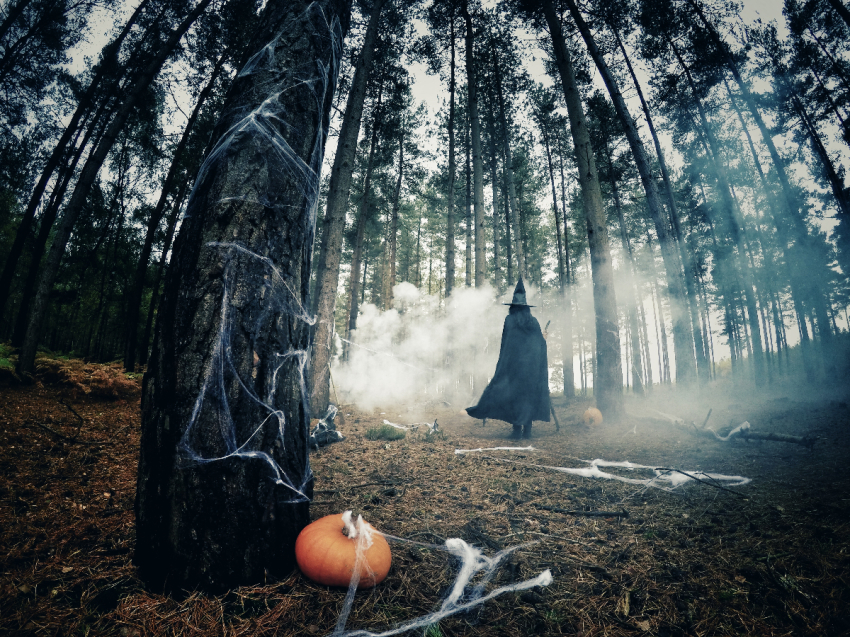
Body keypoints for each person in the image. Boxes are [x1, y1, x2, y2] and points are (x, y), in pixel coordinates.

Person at [466, 278, 550, 439]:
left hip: (514, 367)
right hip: (531, 369)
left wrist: (503, 366)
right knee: (528, 395)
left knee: (516, 396)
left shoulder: (509, 320)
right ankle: (528, 431)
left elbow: (505, 345)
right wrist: (543, 339)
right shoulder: (533, 322)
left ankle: (517, 430)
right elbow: (539, 344)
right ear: (526, 308)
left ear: (512, 307)